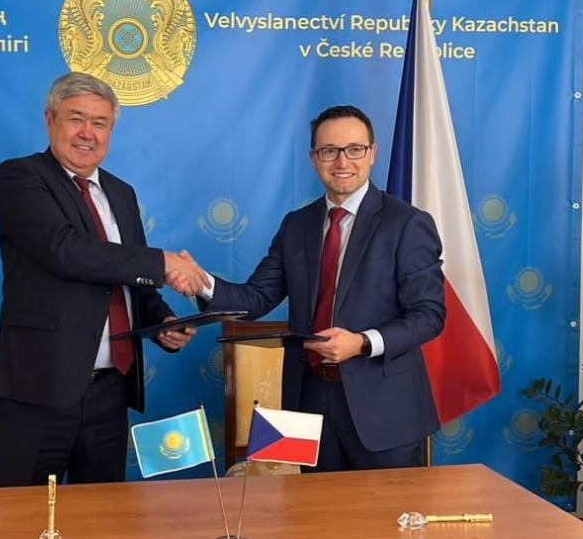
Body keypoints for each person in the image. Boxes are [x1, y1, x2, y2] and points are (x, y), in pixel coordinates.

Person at [184, 104, 445, 471]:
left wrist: (362, 342)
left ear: (372, 153)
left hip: (384, 408)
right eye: (329, 151)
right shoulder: (296, 225)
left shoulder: (407, 223)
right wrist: (202, 283)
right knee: (312, 507)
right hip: (308, 400)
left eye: (354, 149)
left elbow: (429, 315)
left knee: (388, 508)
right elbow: (256, 298)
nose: (342, 161)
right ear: (313, 158)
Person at [0, 71, 206, 487]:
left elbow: (130, 280)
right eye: (76, 118)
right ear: (49, 119)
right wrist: (163, 262)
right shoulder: (20, 177)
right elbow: (65, 250)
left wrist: (161, 321)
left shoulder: (122, 193)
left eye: (100, 123)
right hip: (39, 388)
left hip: (111, 391)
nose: (87, 133)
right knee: (19, 513)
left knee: (103, 513)